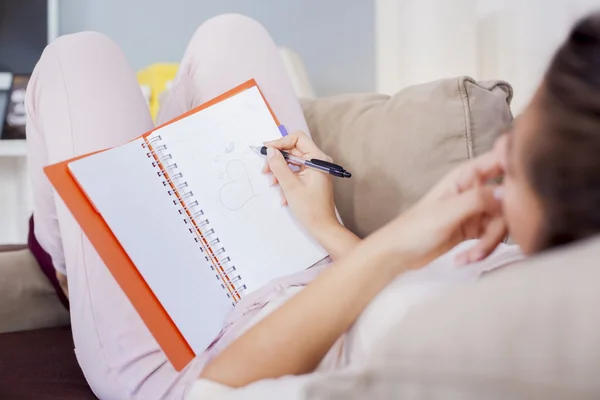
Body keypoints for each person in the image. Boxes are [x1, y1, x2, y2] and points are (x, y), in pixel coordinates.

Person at [25, 11, 600, 400]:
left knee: (76, 57)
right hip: (308, 270)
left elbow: (215, 392)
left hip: (188, 359)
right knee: (233, 32)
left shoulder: (504, 343)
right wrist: (328, 227)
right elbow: (389, 301)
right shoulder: (522, 259)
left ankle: (71, 267)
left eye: (517, 152)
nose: (499, 150)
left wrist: (400, 241)